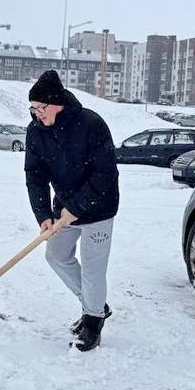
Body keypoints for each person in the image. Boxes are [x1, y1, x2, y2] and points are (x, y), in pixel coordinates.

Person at [24, 70, 119, 351]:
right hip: (63, 208)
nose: (37, 114)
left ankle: (93, 322)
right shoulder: (36, 131)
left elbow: (105, 174)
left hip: (99, 208)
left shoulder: (91, 124)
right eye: (33, 109)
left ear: (56, 103)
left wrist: (76, 208)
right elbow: (35, 175)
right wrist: (43, 215)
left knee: (93, 269)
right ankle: (95, 304)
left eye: (40, 108)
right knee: (55, 255)